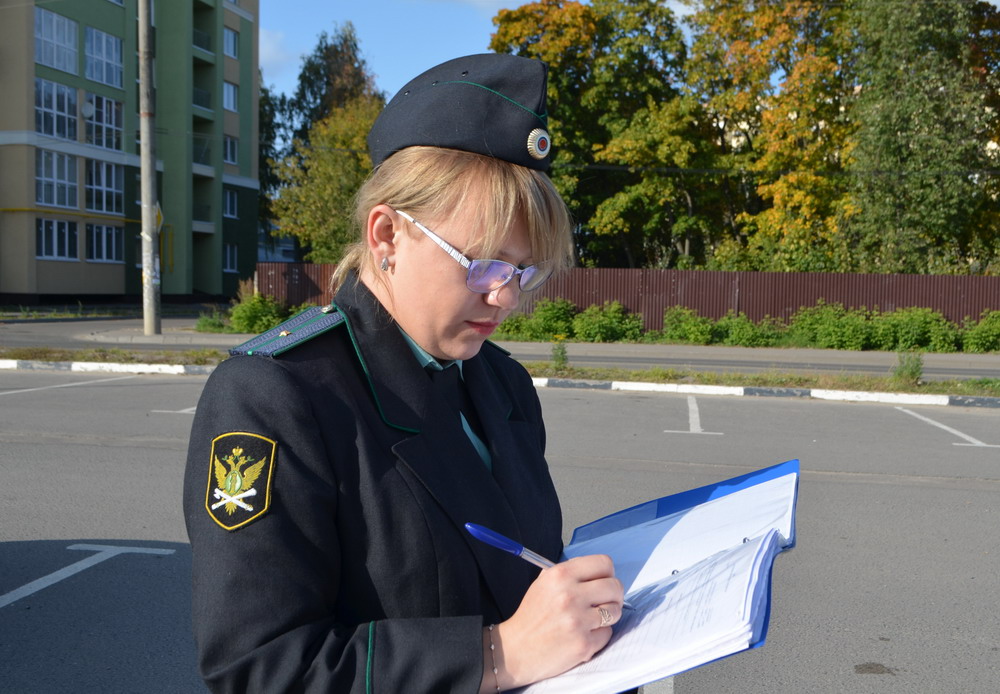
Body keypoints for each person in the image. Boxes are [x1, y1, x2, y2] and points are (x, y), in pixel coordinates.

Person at [183, 53, 626, 693]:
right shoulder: (275, 396)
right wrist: (496, 655)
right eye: (483, 265)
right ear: (387, 234)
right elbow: (260, 669)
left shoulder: (501, 384)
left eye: (523, 272)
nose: (504, 297)